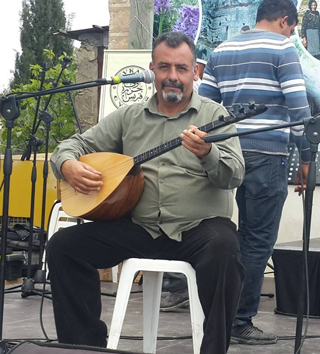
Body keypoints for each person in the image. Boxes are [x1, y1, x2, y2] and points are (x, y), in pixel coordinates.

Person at [46, 32, 245, 354]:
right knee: (64, 247)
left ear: (196, 72)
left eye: (182, 68)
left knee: (226, 252)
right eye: (164, 67)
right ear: (152, 69)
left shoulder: (216, 117)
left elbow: (233, 176)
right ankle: (83, 346)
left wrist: (207, 154)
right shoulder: (130, 116)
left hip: (199, 227)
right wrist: (67, 164)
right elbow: (75, 144)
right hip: (140, 226)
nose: (173, 77)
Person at [199, 0, 311, 345]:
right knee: (257, 238)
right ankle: (239, 320)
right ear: (283, 20)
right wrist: (305, 157)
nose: (291, 33)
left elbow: (206, 107)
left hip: (224, 154)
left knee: (223, 235)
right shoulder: (282, 46)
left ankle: (218, 317)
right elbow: (298, 108)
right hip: (267, 155)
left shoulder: (222, 48)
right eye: (292, 27)